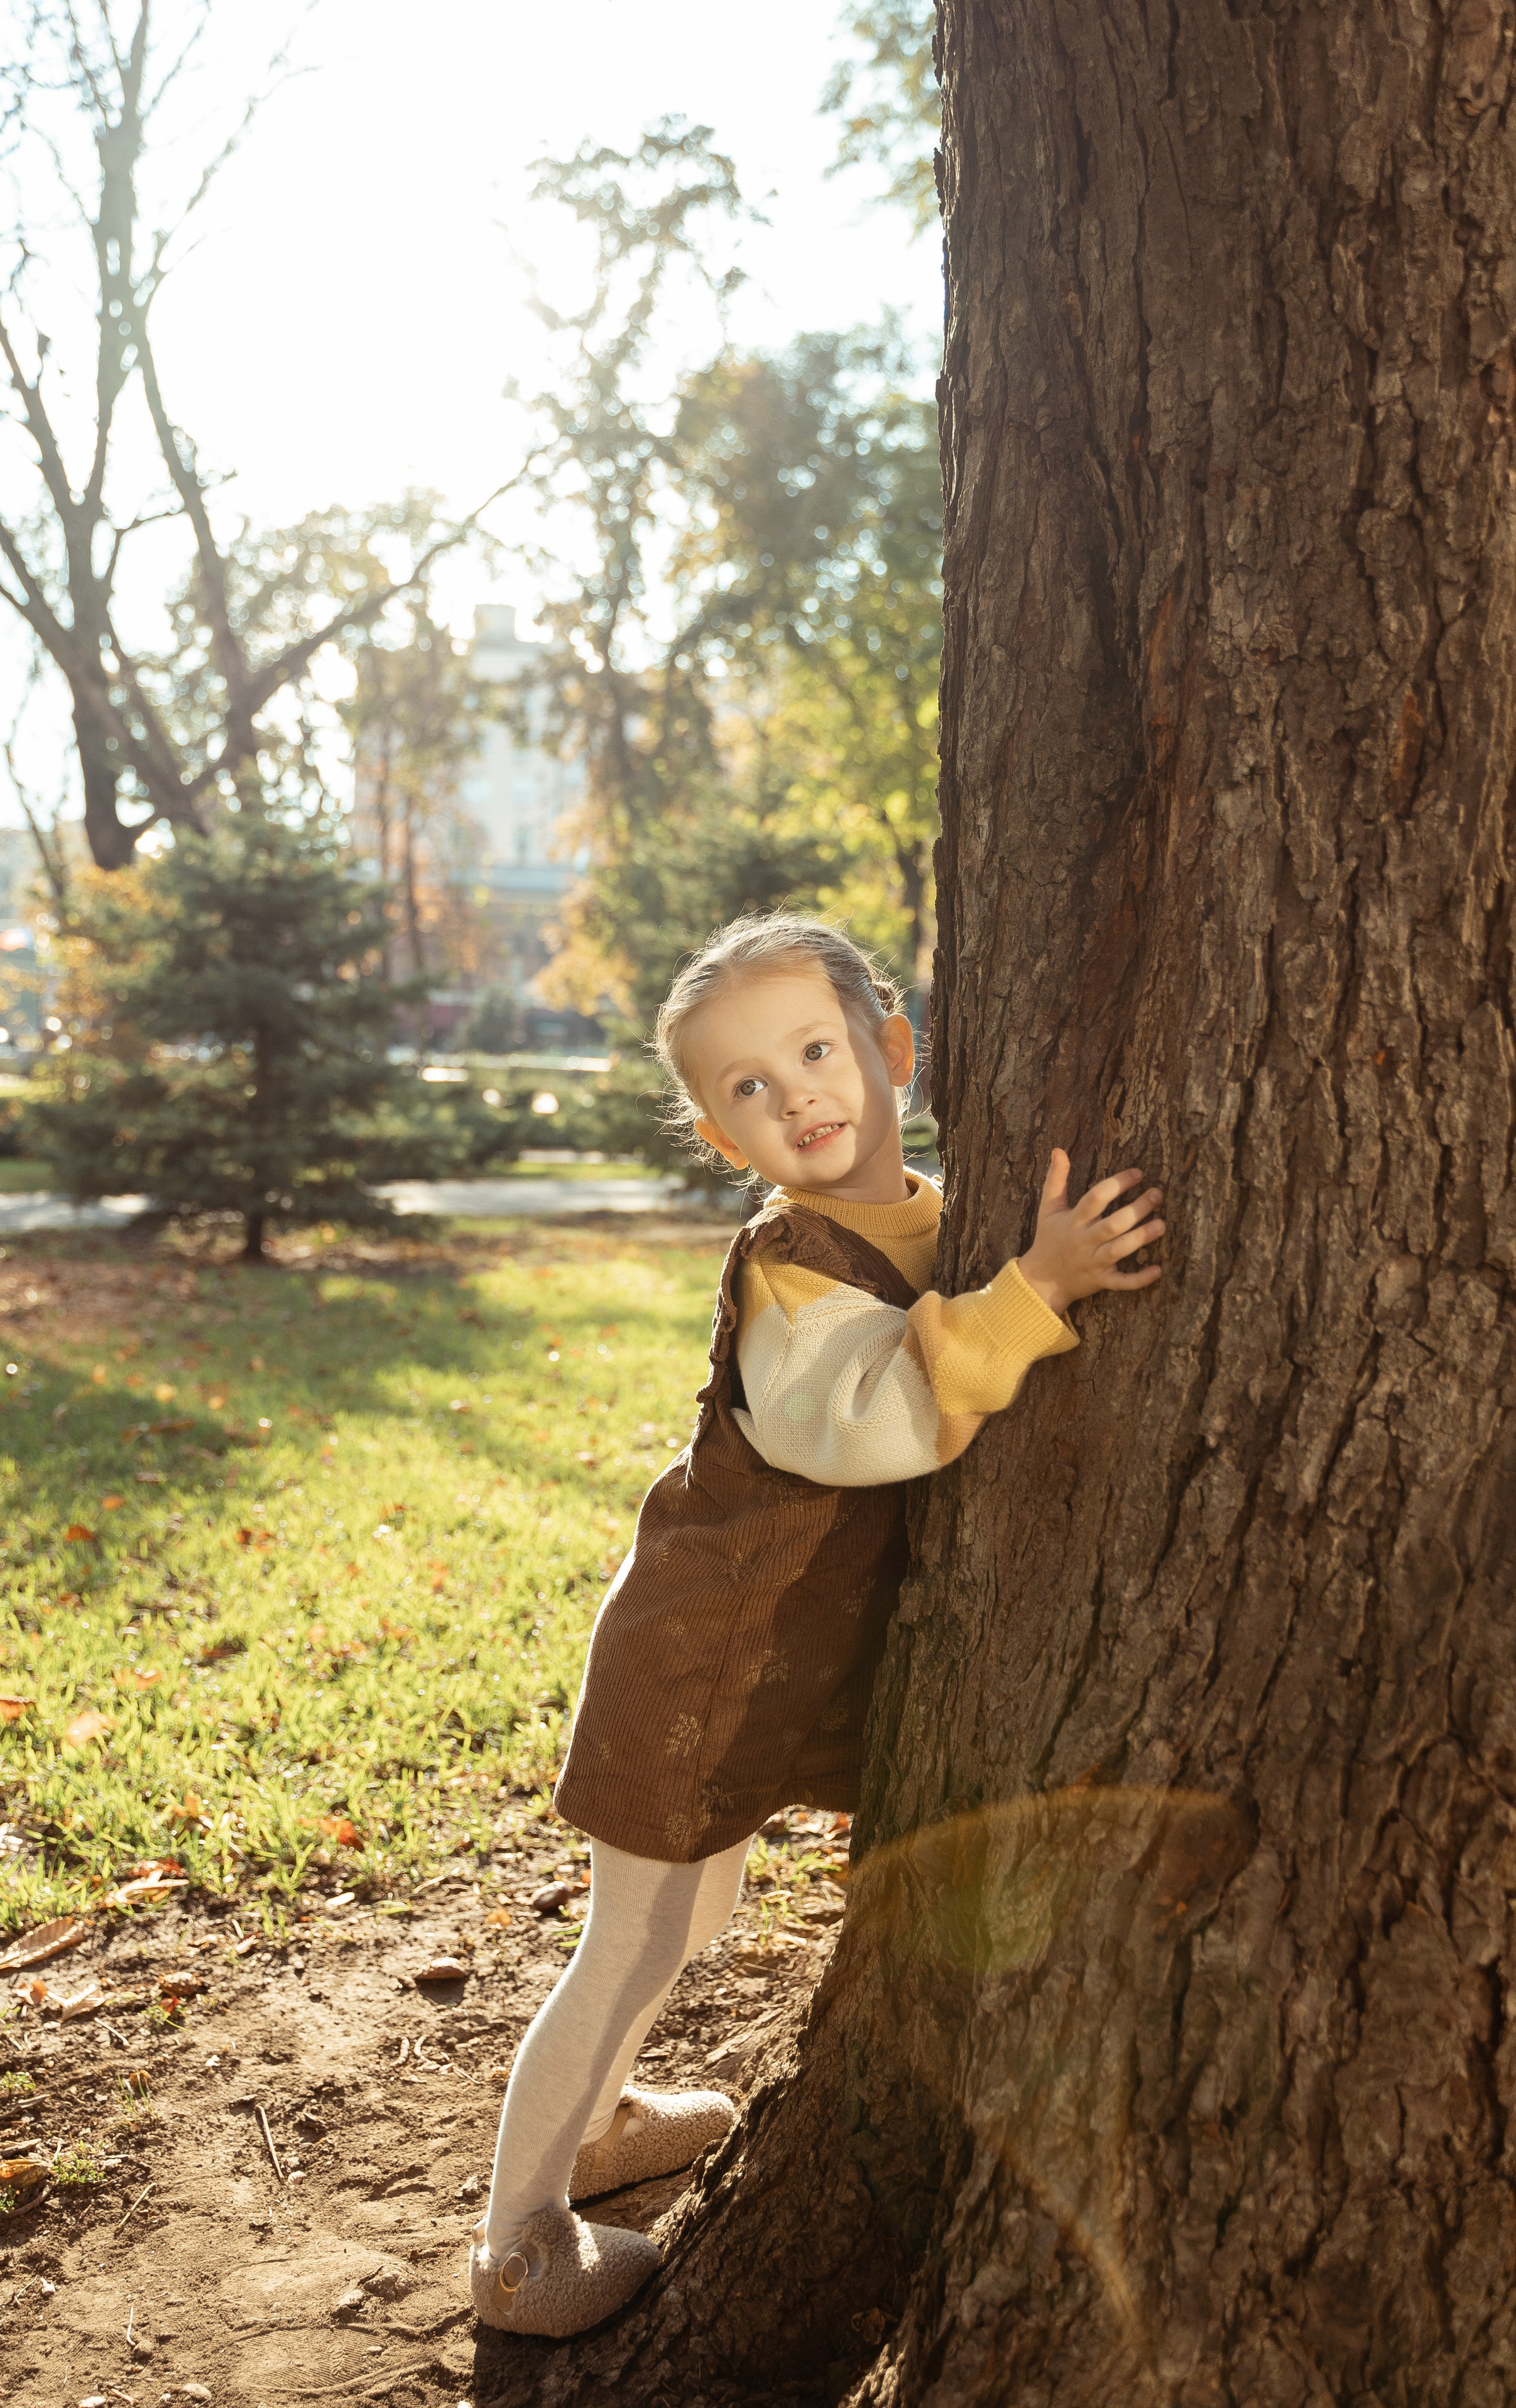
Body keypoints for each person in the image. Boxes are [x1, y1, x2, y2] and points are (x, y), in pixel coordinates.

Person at [469, 915, 1165, 2336]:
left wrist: (1004, 1273)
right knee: (636, 1937)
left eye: (813, 1051)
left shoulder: (929, 1213)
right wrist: (1035, 1289)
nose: (794, 1096)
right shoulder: (791, 1263)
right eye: (748, 1087)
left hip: (756, 1657)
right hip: (694, 1657)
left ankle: (597, 2128)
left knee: (692, 1914)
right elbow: (859, 1423)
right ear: (722, 1138)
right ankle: (518, 2247)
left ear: (890, 1049)